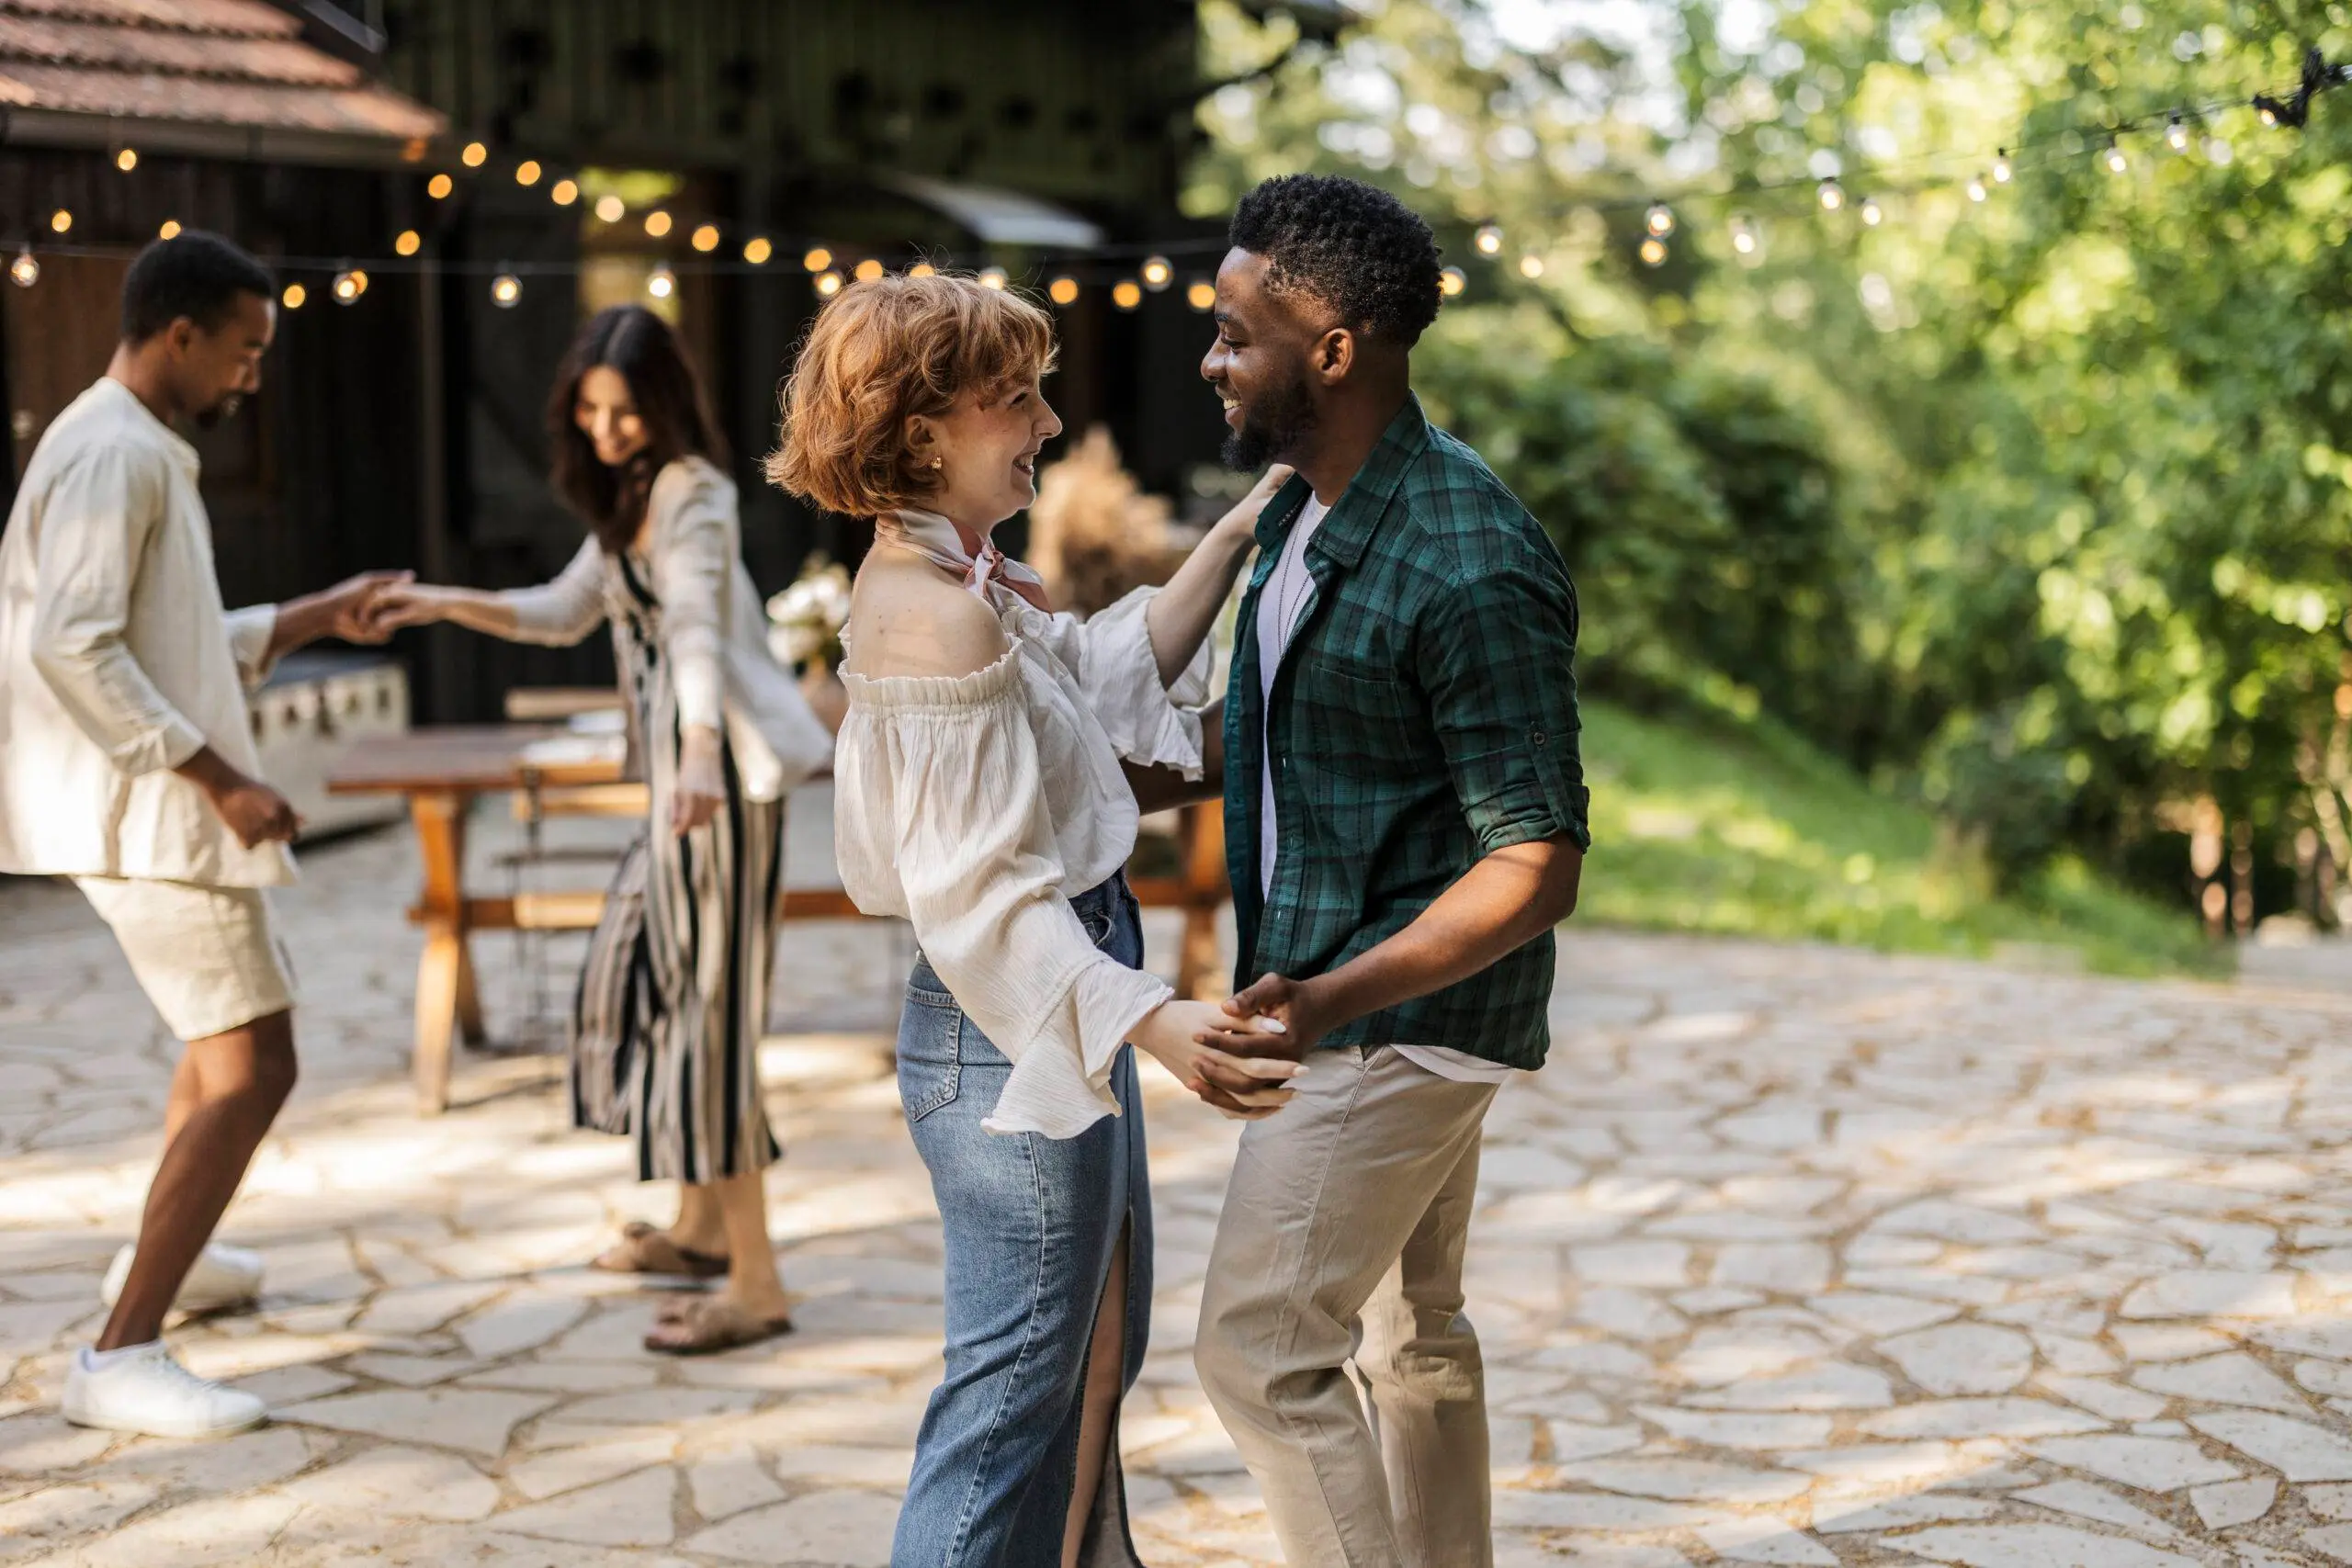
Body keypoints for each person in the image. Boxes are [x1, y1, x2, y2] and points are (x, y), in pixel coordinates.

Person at [770, 271, 1300, 1568]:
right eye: (1015, 398)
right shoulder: (932, 620)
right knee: (1008, 1403)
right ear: (919, 428)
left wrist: (1234, 536)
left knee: (1093, 1361)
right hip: (1009, 1031)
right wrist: (1156, 1015)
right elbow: (985, 910)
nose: (1050, 423)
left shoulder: (968, 581)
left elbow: (1105, 679)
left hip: (1055, 1002)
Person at [1188, 175, 1592, 1568]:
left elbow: (1535, 862)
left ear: (1335, 345)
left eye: (1239, 333)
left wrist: (1327, 999)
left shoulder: (1470, 556)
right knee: (1418, 1334)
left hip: (1393, 1023)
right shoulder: (1302, 506)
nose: (1213, 355)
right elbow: (1302, 724)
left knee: (1258, 1346)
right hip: (1359, 991)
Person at [0, 231, 405, 1437]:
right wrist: (225, 777)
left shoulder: (132, 445)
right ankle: (120, 1347)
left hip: (143, 802)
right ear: (181, 335)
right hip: (143, 811)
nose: (252, 377)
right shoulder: (115, 451)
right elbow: (72, 646)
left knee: (210, 1044)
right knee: (253, 1062)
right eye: (245, 350)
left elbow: (164, 631)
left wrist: (308, 615)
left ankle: (172, 1253)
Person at [368, 305, 832, 1353]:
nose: (607, 427)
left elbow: (698, 632)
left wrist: (701, 753)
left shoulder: (695, 496)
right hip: (683, 794)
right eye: (590, 408)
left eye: (624, 410)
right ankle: (701, 1227)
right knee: (667, 1001)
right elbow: (560, 611)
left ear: (663, 402)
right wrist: (442, 601)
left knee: (706, 1029)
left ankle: (755, 1284)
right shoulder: (632, 499)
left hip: (713, 797)